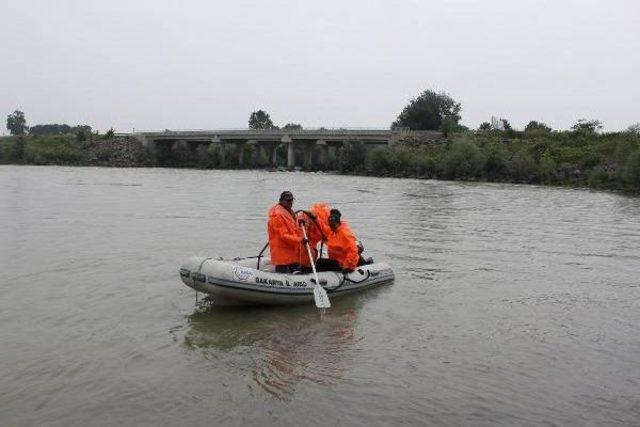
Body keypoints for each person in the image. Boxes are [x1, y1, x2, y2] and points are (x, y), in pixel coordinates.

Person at [267, 191, 306, 273]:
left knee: (297, 272)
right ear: (281, 201)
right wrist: (300, 240)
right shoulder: (277, 215)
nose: (290, 202)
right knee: (282, 274)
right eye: (288, 200)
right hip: (282, 252)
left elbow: (292, 225)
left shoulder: (289, 211)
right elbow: (283, 235)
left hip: (292, 250)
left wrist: (298, 220)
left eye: (292, 200)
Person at [315, 208, 360, 274]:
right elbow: (323, 228)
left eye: (333, 225)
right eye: (330, 225)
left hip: (343, 263)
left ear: (338, 223)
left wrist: (347, 266)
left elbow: (353, 250)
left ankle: (319, 279)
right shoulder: (332, 232)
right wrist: (315, 218)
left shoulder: (345, 234)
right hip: (335, 261)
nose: (331, 227)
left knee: (320, 262)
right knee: (321, 262)